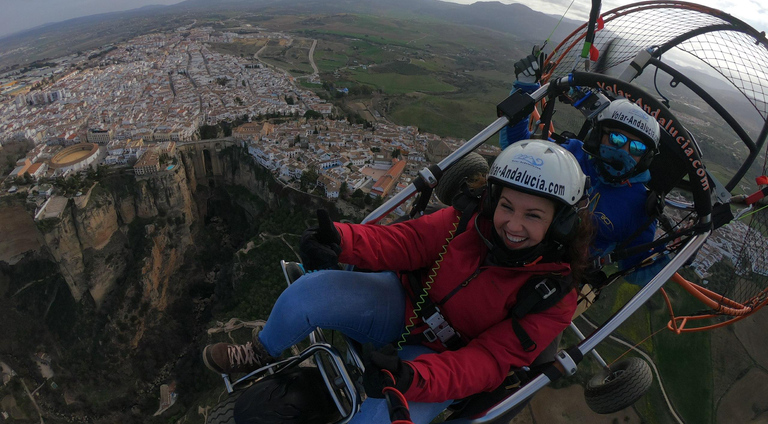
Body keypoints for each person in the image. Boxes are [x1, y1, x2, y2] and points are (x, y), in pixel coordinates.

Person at [203, 139, 594, 423]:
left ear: (560, 224)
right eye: (506, 206)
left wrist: (413, 377)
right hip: (404, 305)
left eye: (533, 215)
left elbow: (488, 362)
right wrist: (341, 241)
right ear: (492, 201)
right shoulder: (469, 220)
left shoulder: (552, 295)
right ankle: (260, 351)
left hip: (440, 365)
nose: (513, 224)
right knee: (308, 291)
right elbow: (408, 242)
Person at [500, 53, 663, 285]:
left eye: (636, 147)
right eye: (616, 139)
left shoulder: (640, 207)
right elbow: (518, 151)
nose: (624, 150)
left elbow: (636, 270)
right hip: (517, 245)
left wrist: (677, 253)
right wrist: (525, 89)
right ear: (598, 136)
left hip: (558, 282)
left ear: (645, 159)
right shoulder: (572, 153)